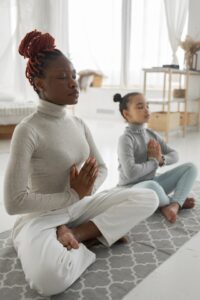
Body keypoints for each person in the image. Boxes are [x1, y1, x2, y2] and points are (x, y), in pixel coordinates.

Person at [3, 30, 159, 296]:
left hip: (78, 208)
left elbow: (103, 168)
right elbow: (13, 202)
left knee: (149, 198)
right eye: (63, 78)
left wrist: (81, 195)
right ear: (40, 83)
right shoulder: (28, 130)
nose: (74, 83)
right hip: (42, 217)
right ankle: (90, 239)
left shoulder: (78, 123)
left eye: (73, 75)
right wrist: (71, 195)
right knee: (48, 280)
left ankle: (76, 235)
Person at [113, 92, 198, 223]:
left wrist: (161, 160)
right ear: (126, 114)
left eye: (147, 106)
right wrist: (154, 162)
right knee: (152, 186)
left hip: (153, 183)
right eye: (140, 107)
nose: (146, 109)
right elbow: (130, 173)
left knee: (191, 168)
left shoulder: (151, 134)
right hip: (130, 189)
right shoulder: (125, 139)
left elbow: (175, 155)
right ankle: (174, 202)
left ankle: (173, 205)